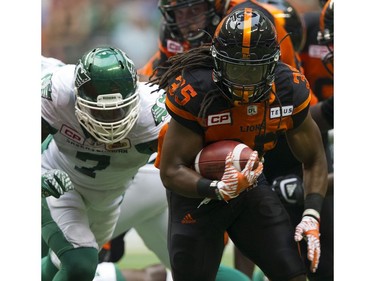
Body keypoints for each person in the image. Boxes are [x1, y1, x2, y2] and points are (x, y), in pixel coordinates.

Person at [151, 7, 328, 281]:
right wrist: (217, 188)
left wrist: (311, 214)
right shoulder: (195, 90)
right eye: (236, 68)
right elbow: (171, 170)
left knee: (294, 274)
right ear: (217, 62)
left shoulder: (288, 86)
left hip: (250, 184)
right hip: (197, 194)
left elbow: (314, 157)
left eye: (254, 70)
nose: (244, 82)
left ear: (273, 64)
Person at [41, 46, 171, 281]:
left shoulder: (153, 115)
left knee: (64, 266)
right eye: (100, 112)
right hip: (57, 178)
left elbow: (182, 164)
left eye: (119, 109)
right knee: (79, 262)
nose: (111, 120)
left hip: (108, 201)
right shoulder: (58, 92)